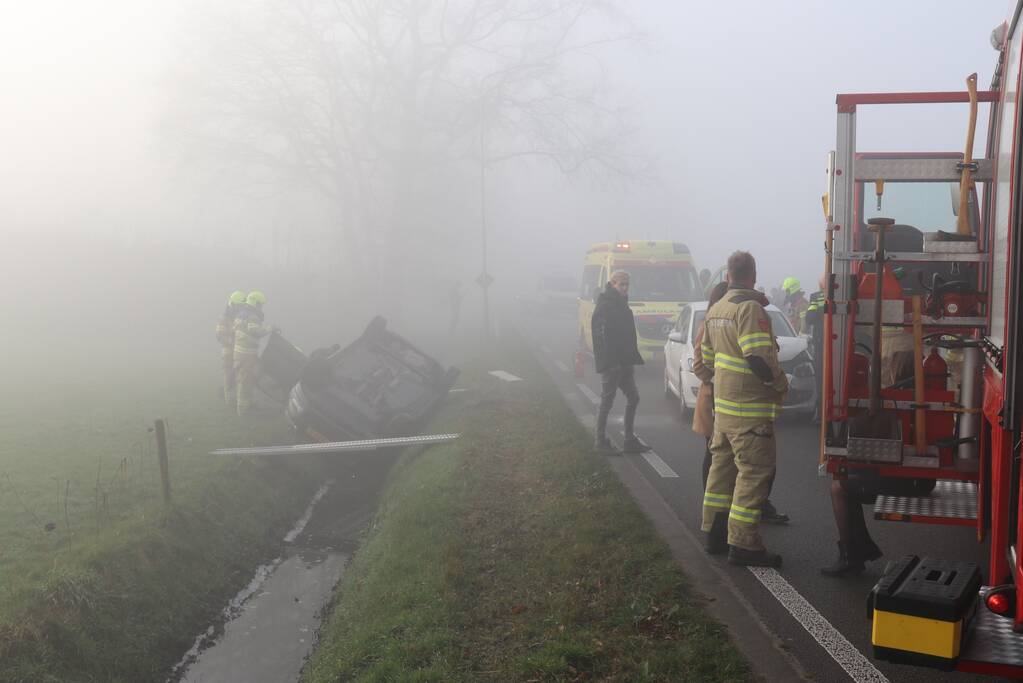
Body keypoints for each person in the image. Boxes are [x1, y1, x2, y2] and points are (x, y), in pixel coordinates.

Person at [701, 251, 788, 567]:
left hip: (723, 414)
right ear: (752, 275)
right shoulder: (750, 308)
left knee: (720, 474)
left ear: (728, 276)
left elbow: (708, 361)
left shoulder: (717, 309)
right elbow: (757, 358)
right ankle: (744, 544)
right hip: (749, 413)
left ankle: (713, 534)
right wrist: (779, 384)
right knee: (753, 474)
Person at [591, 270, 650, 455]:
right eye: (621, 284)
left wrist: (630, 359)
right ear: (613, 284)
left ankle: (629, 440)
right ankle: (600, 441)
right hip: (612, 364)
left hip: (624, 362)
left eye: (626, 285)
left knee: (634, 397)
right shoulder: (606, 305)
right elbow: (601, 336)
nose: (624, 288)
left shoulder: (620, 304)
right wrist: (610, 362)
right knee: (606, 402)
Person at [233, 290, 273, 416]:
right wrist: (269, 329)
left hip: (239, 351)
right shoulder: (253, 316)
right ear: (255, 303)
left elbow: (236, 329)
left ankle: (247, 405)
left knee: (245, 378)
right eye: (260, 304)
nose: (261, 307)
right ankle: (243, 410)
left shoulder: (242, 313)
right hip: (247, 353)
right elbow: (255, 332)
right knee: (245, 380)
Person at [215, 291, 247, 405]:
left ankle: (237, 399)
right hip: (228, 351)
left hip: (239, 351)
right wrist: (232, 341)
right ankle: (229, 401)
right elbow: (220, 335)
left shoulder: (239, 317)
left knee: (239, 376)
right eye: (239, 306)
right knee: (228, 376)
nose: (241, 308)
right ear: (233, 304)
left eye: (242, 306)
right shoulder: (224, 318)